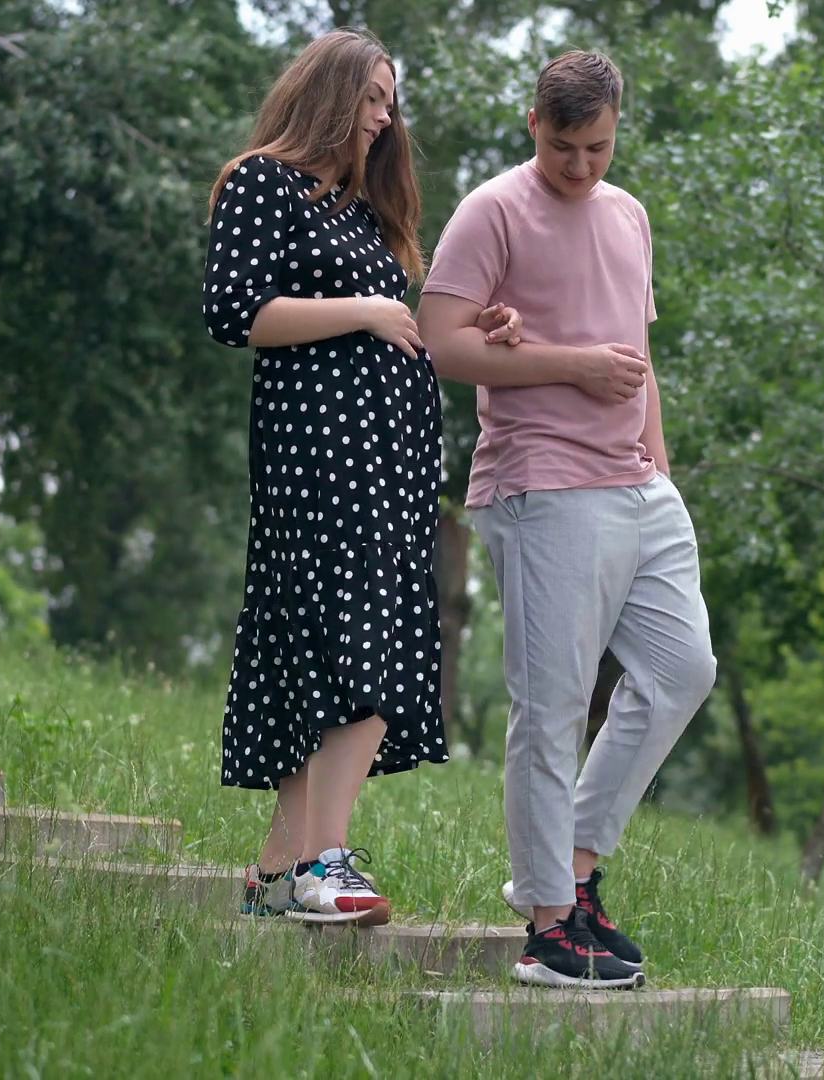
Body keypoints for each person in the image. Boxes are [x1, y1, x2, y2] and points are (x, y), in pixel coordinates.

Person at [203, 29, 522, 922]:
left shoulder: (358, 211)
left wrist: (472, 326)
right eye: (373, 98)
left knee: (349, 646)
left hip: (388, 461)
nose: (385, 118)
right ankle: (323, 864)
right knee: (355, 647)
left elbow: (397, 323)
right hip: (318, 455)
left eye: (390, 102)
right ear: (331, 95)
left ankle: (277, 874)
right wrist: (366, 311)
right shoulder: (261, 181)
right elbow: (234, 312)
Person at [420, 50, 717, 989]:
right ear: (533, 125)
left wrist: (658, 469)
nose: (581, 166)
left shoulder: (628, 214)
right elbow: (440, 343)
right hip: (541, 484)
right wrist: (570, 365)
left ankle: (577, 867)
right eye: (563, 148)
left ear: (617, 128)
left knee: (682, 670)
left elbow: (637, 354)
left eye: (598, 147)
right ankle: (550, 926)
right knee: (551, 706)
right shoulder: (493, 210)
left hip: (638, 485)